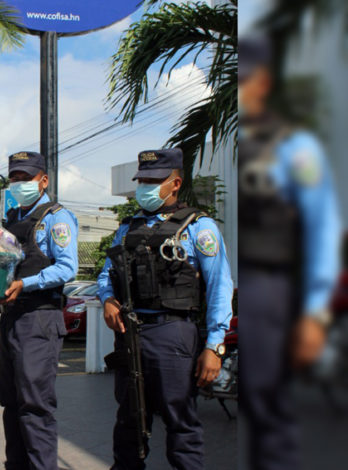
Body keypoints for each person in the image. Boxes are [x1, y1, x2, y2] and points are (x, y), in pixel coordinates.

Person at [238, 36, 340, 470]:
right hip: (242, 292)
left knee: (268, 412)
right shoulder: (239, 143)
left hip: (271, 289)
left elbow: (323, 231)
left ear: (263, 82)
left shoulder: (296, 149)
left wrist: (316, 313)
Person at [97, 148, 234, 470]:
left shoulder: (199, 227)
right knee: (129, 423)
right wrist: (106, 300)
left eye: (153, 180)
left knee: (180, 423)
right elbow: (107, 274)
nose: (145, 186)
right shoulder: (127, 228)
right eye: (141, 179)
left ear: (175, 184)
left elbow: (219, 287)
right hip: (130, 334)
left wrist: (215, 346)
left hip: (173, 332)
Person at [0, 151, 78, 470]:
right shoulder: (12, 218)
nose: (18, 183)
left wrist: (25, 284)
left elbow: (67, 268)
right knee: (12, 403)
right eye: (13, 178)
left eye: (24, 178)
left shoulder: (56, 217)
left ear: (43, 180)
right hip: (13, 317)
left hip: (40, 318)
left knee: (35, 406)